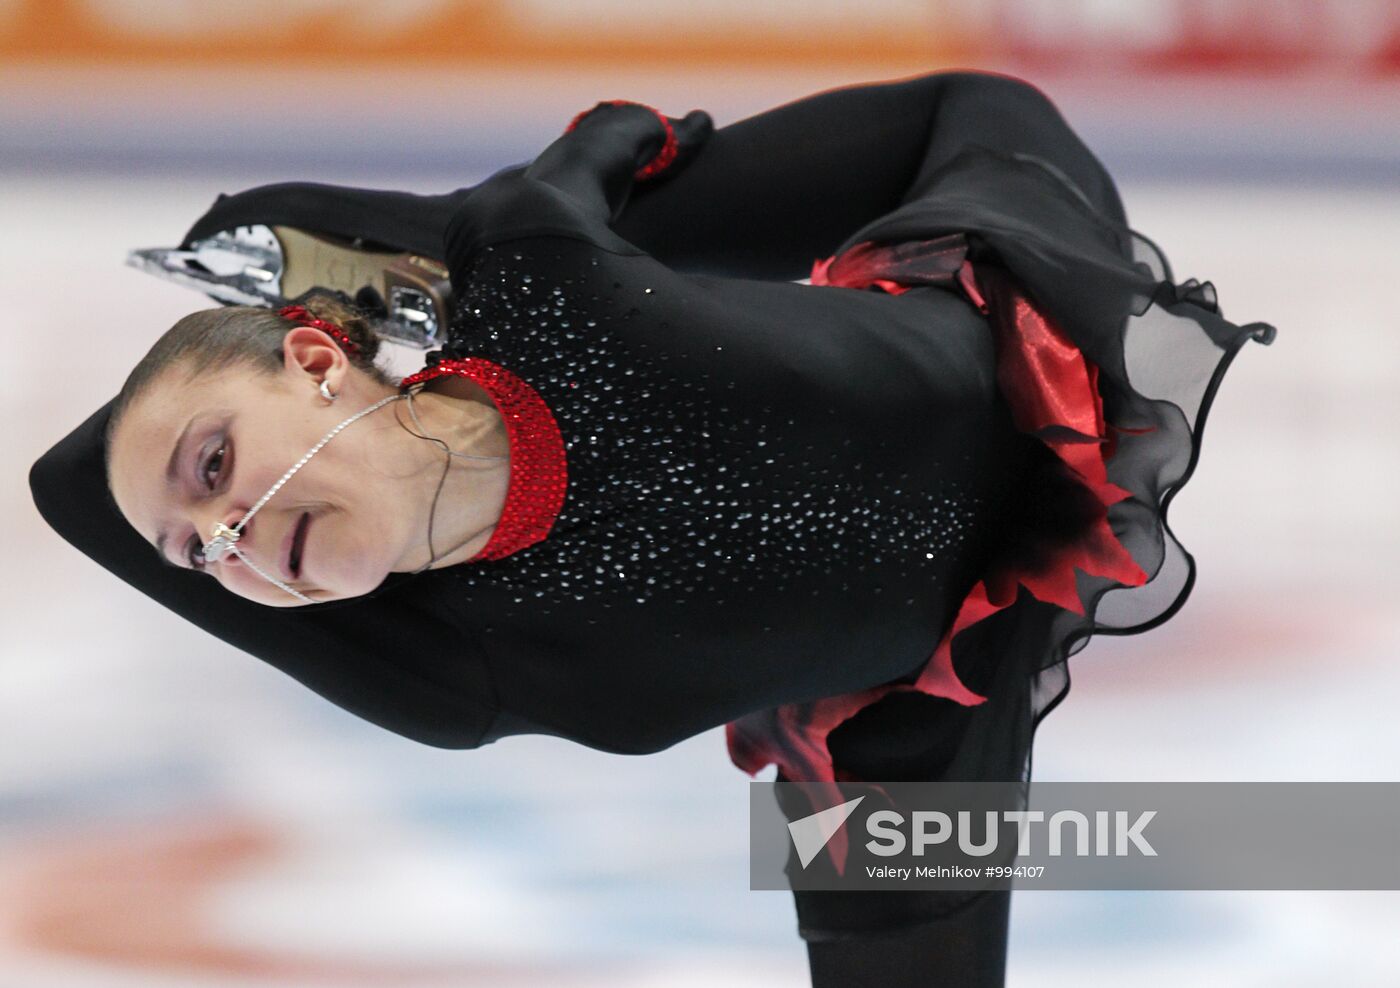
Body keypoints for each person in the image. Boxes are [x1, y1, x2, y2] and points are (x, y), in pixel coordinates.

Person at [30, 69, 1277, 986]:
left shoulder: (536, 281)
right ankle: (417, 249)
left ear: (316, 358)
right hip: (919, 702)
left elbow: (616, 140)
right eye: (197, 550)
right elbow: (76, 489)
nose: (227, 534)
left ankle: (408, 241)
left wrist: (448, 223)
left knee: (966, 121)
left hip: (1004, 328)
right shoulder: (444, 677)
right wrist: (203, 484)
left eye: (212, 466)